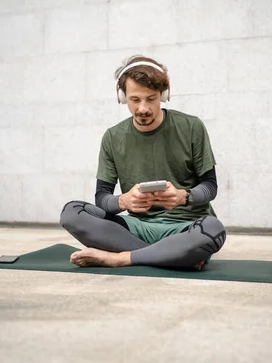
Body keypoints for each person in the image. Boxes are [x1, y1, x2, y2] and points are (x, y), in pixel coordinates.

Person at [60, 55, 226, 270]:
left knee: (213, 230)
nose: (143, 108)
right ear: (122, 97)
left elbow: (210, 187)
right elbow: (101, 198)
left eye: (151, 98)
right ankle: (173, 256)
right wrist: (124, 202)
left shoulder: (192, 127)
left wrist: (182, 197)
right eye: (135, 99)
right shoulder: (113, 137)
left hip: (187, 227)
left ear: (163, 95)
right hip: (136, 227)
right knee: (72, 213)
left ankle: (120, 258)